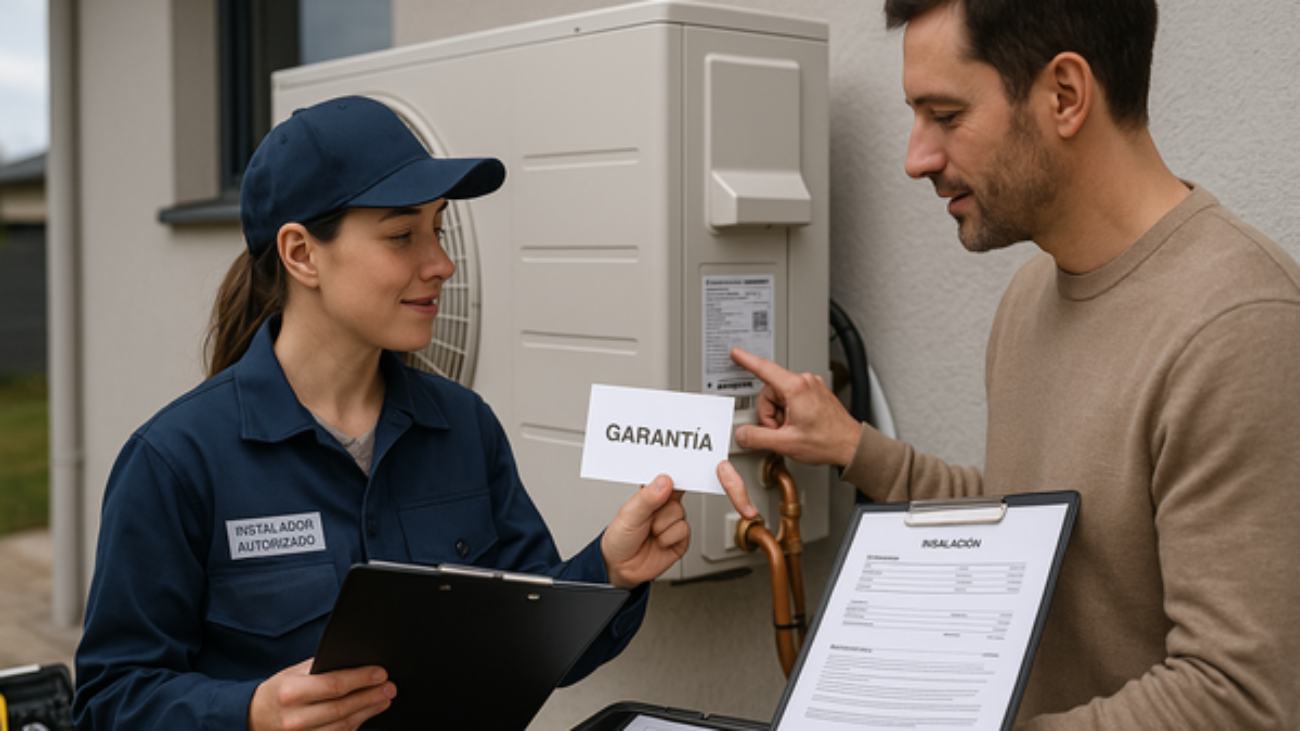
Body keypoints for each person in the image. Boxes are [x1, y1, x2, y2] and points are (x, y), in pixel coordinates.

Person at [717, 0, 1300, 728]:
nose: (915, 158)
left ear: (1064, 95)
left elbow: (1239, 698)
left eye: (946, 115)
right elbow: (1029, 520)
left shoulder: (1239, 326)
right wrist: (852, 447)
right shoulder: (1030, 296)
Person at [73, 95, 691, 731]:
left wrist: (611, 570)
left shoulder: (466, 427)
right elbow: (109, 700)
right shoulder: (176, 461)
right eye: (402, 236)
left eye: (438, 229)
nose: (442, 264)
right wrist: (250, 711)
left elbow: (533, 645)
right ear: (301, 254)